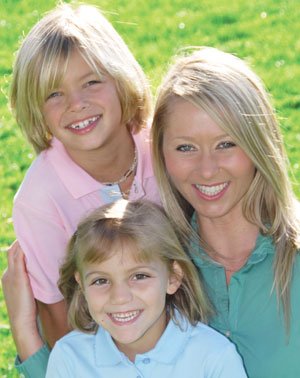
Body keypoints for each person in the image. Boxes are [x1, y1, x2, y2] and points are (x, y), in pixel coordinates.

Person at [2, 2, 160, 376]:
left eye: (91, 82)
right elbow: (58, 320)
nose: (77, 105)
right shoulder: (39, 201)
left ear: (122, 79)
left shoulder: (164, 147)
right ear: (35, 108)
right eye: (53, 94)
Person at [151, 46, 300, 378]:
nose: (206, 170)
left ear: (259, 143)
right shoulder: (151, 266)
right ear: (161, 154)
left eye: (226, 144)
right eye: (185, 147)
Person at [45, 199, 247, 377]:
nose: (120, 297)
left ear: (173, 277)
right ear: (81, 285)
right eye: (101, 281)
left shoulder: (214, 357)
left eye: (139, 276)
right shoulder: (69, 357)